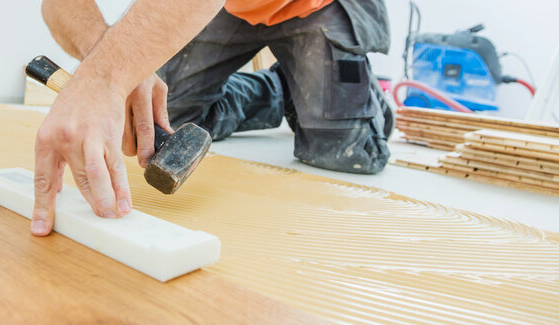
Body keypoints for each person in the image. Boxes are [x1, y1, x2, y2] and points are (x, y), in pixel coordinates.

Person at [31, 0, 392, 236]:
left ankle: (350, 101)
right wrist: (111, 70)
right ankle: (284, 88)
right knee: (168, 113)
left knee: (346, 152)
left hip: (317, 5)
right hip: (233, 6)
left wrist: (106, 77)